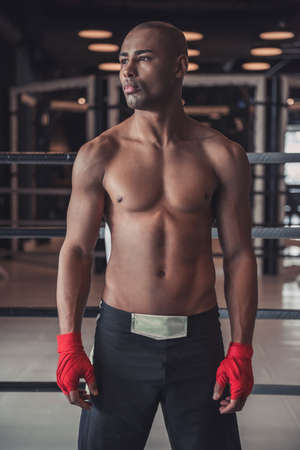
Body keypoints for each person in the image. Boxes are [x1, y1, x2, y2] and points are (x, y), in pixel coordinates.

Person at [56, 21, 258, 450]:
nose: (127, 70)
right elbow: (75, 249)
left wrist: (241, 349)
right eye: (122, 60)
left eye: (143, 59)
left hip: (198, 342)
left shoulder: (222, 154)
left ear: (181, 66)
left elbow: (240, 253)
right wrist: (68, 342)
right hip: (120, 341)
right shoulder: (99, 154)